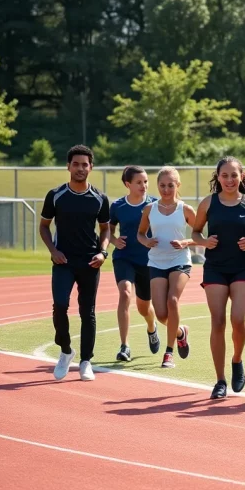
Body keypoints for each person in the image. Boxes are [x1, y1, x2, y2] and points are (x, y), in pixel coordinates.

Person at [192, 157, 245, 399]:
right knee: (218, 321)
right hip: (216, 267)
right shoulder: (208, 203)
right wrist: (203, 242)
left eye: (234, 175)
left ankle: (237, 359)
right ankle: (220, 380)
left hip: (244, 267)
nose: (230, 180)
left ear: (241, 176)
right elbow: (196, 231)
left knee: (238, 319)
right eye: (225, 175)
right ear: (218, 177)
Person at [39, 144, 110, 382]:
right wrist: (53, 250)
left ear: (91, 167)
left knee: (87, 312)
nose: (80, 168)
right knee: (60, 305)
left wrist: (103, 253)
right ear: (68, 166)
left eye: (85, 164)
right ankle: (66, 351)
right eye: (76, 164)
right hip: (63, 261)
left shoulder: (99, 198)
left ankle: (86, 361)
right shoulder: (56, 195)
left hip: (90, 261)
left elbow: (105, 229)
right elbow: (44, 226)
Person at [137, 166, 198, 369]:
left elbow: (200, 236)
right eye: (162, 185)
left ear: (177, 185)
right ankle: (181, 332)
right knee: (162, 314)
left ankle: (169, 353)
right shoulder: (149, 209)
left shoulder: (185, 209)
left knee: (173, 301)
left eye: (170, 185)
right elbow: (140, 233)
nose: (165, 189)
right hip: (156, 262)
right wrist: (145, 242)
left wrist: (186, 242)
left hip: (180, 260)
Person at [108, 166, 159, 362]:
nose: (143, 185)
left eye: (145, 181)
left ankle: (151, 327)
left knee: (144, 308)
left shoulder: (155, 204)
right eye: (139, 182)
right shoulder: (118, 206)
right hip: (124, 257)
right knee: (125, 293)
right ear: (128, 184)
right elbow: (107, 230)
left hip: (148, 261)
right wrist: (113, 240)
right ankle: (124, 346)